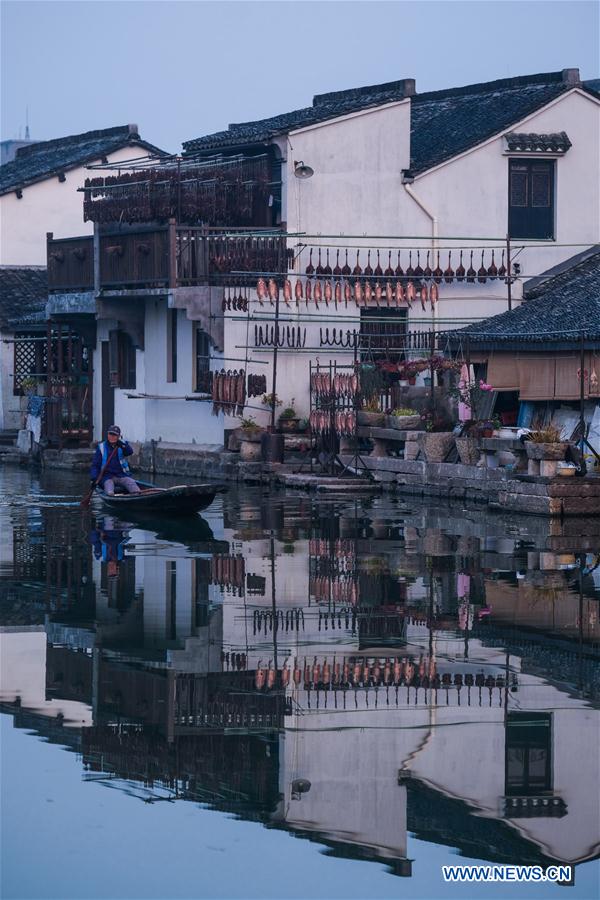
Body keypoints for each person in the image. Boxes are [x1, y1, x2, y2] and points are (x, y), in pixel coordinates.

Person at [90, 425, 141, 495]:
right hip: (106, 477)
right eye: (110, 434)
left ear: (118, 436)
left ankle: (136, 495)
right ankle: (112, 497)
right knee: (109, 490)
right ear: (107, 434)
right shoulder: (101, 447)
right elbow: (95, 465)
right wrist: (94, 478)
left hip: (121, 475)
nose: (112, 436)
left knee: (131, 483)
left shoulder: (122, 444)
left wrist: (122, 446)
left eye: (114, 435)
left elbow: (129, 452)